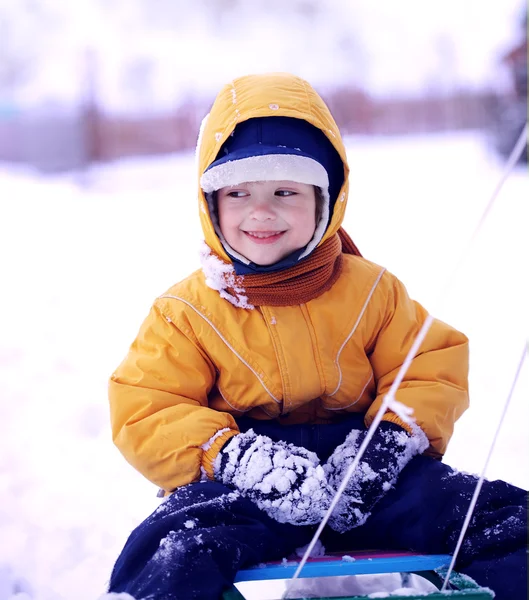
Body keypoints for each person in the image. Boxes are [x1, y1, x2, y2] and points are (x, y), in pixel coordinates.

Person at [105, 73, 527, 600]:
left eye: (286, 190)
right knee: (171, 549)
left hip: (367, 477)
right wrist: (237, 458)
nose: (262, 211)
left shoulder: (371, 289)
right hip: (243, 486)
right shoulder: (186, 311)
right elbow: (148, 405)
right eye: (238, 193)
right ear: (211, 204)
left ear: (326, 200)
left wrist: (387, 446)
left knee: (504, 520)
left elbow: (427, 364)